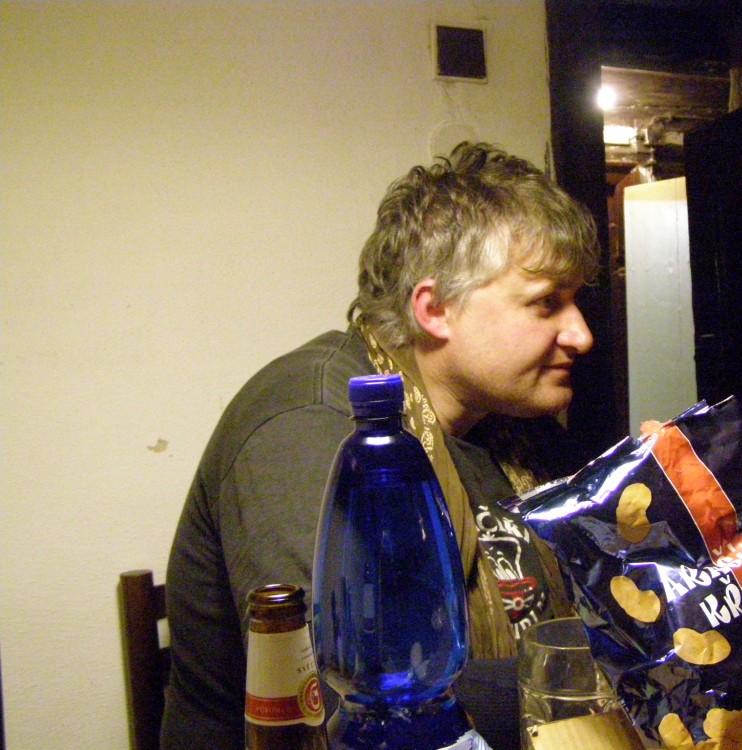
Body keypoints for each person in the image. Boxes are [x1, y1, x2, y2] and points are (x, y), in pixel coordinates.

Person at [160, 142, 601, 750]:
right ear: (435, 309)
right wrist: (600, 678)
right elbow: (352, 697)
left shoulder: (512, 427)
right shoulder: (314, 423)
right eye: (546, 303)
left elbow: (606, 596)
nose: (581, 334)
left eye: (576, 301)